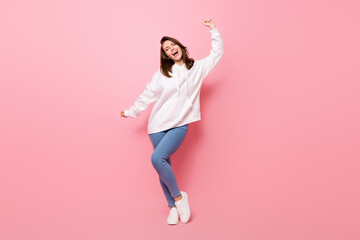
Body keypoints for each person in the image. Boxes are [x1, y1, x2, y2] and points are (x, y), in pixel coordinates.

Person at [120, 18, 224, 225]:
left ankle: (178, 197)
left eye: (172, 45)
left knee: (157, 159)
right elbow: (148, 95)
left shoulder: (198, 68)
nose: (170, 49)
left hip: (179, 124)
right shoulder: (163, 74)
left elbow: (217, 53)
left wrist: (213, 30)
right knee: (163, 165)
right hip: (157, 125)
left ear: (180, 47)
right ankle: (172, 207)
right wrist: (132, 111)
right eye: (166, 49)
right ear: (166, 55)